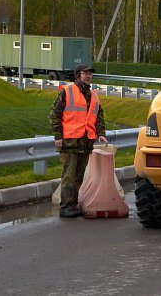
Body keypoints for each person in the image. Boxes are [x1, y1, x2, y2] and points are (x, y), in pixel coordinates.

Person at [49, 64, 107, 218]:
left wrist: (100, 133)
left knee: (79, 176)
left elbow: (99, 117)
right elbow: (54, 115)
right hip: (69, 142)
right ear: (77, 75)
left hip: (86, 143)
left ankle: (73, 205)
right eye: (85, 73)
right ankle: (65, 206)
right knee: (68, 175)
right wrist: (58, 136)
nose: (88, 76)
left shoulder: (93, 95)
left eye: (90, 74)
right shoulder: (67, 92)